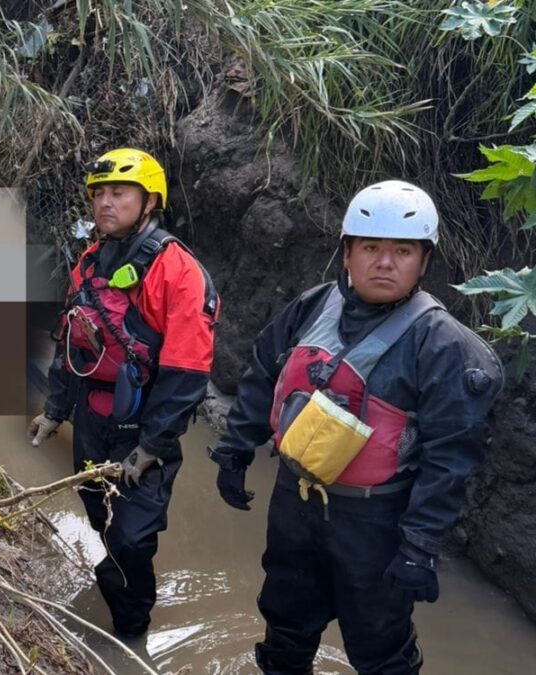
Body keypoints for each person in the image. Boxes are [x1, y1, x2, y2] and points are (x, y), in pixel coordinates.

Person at [208, 180, 504, 674]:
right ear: (347, 254)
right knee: (284, 624)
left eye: (402, 251)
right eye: (370, 248)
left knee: (380, 647)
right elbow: (264, 373)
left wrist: (419, 546)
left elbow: (451, 458)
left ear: (423, 262)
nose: (384, 263)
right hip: (294, 501)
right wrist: (236, 448)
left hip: (376, 521)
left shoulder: (443, 346)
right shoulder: (312, 307)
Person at [28, 147, 220, 638]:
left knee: (132, 538)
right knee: (102, 520)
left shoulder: (178, 271)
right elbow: (71, 339)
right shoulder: (90, 262)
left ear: (149, 201)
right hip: (92, 420)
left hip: (143, 428)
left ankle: (131, 636)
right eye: (99, 195)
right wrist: (54, 410)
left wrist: (153, 445)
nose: (105, 203)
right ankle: (114, 583)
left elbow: (187, 372)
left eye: (118, 193)